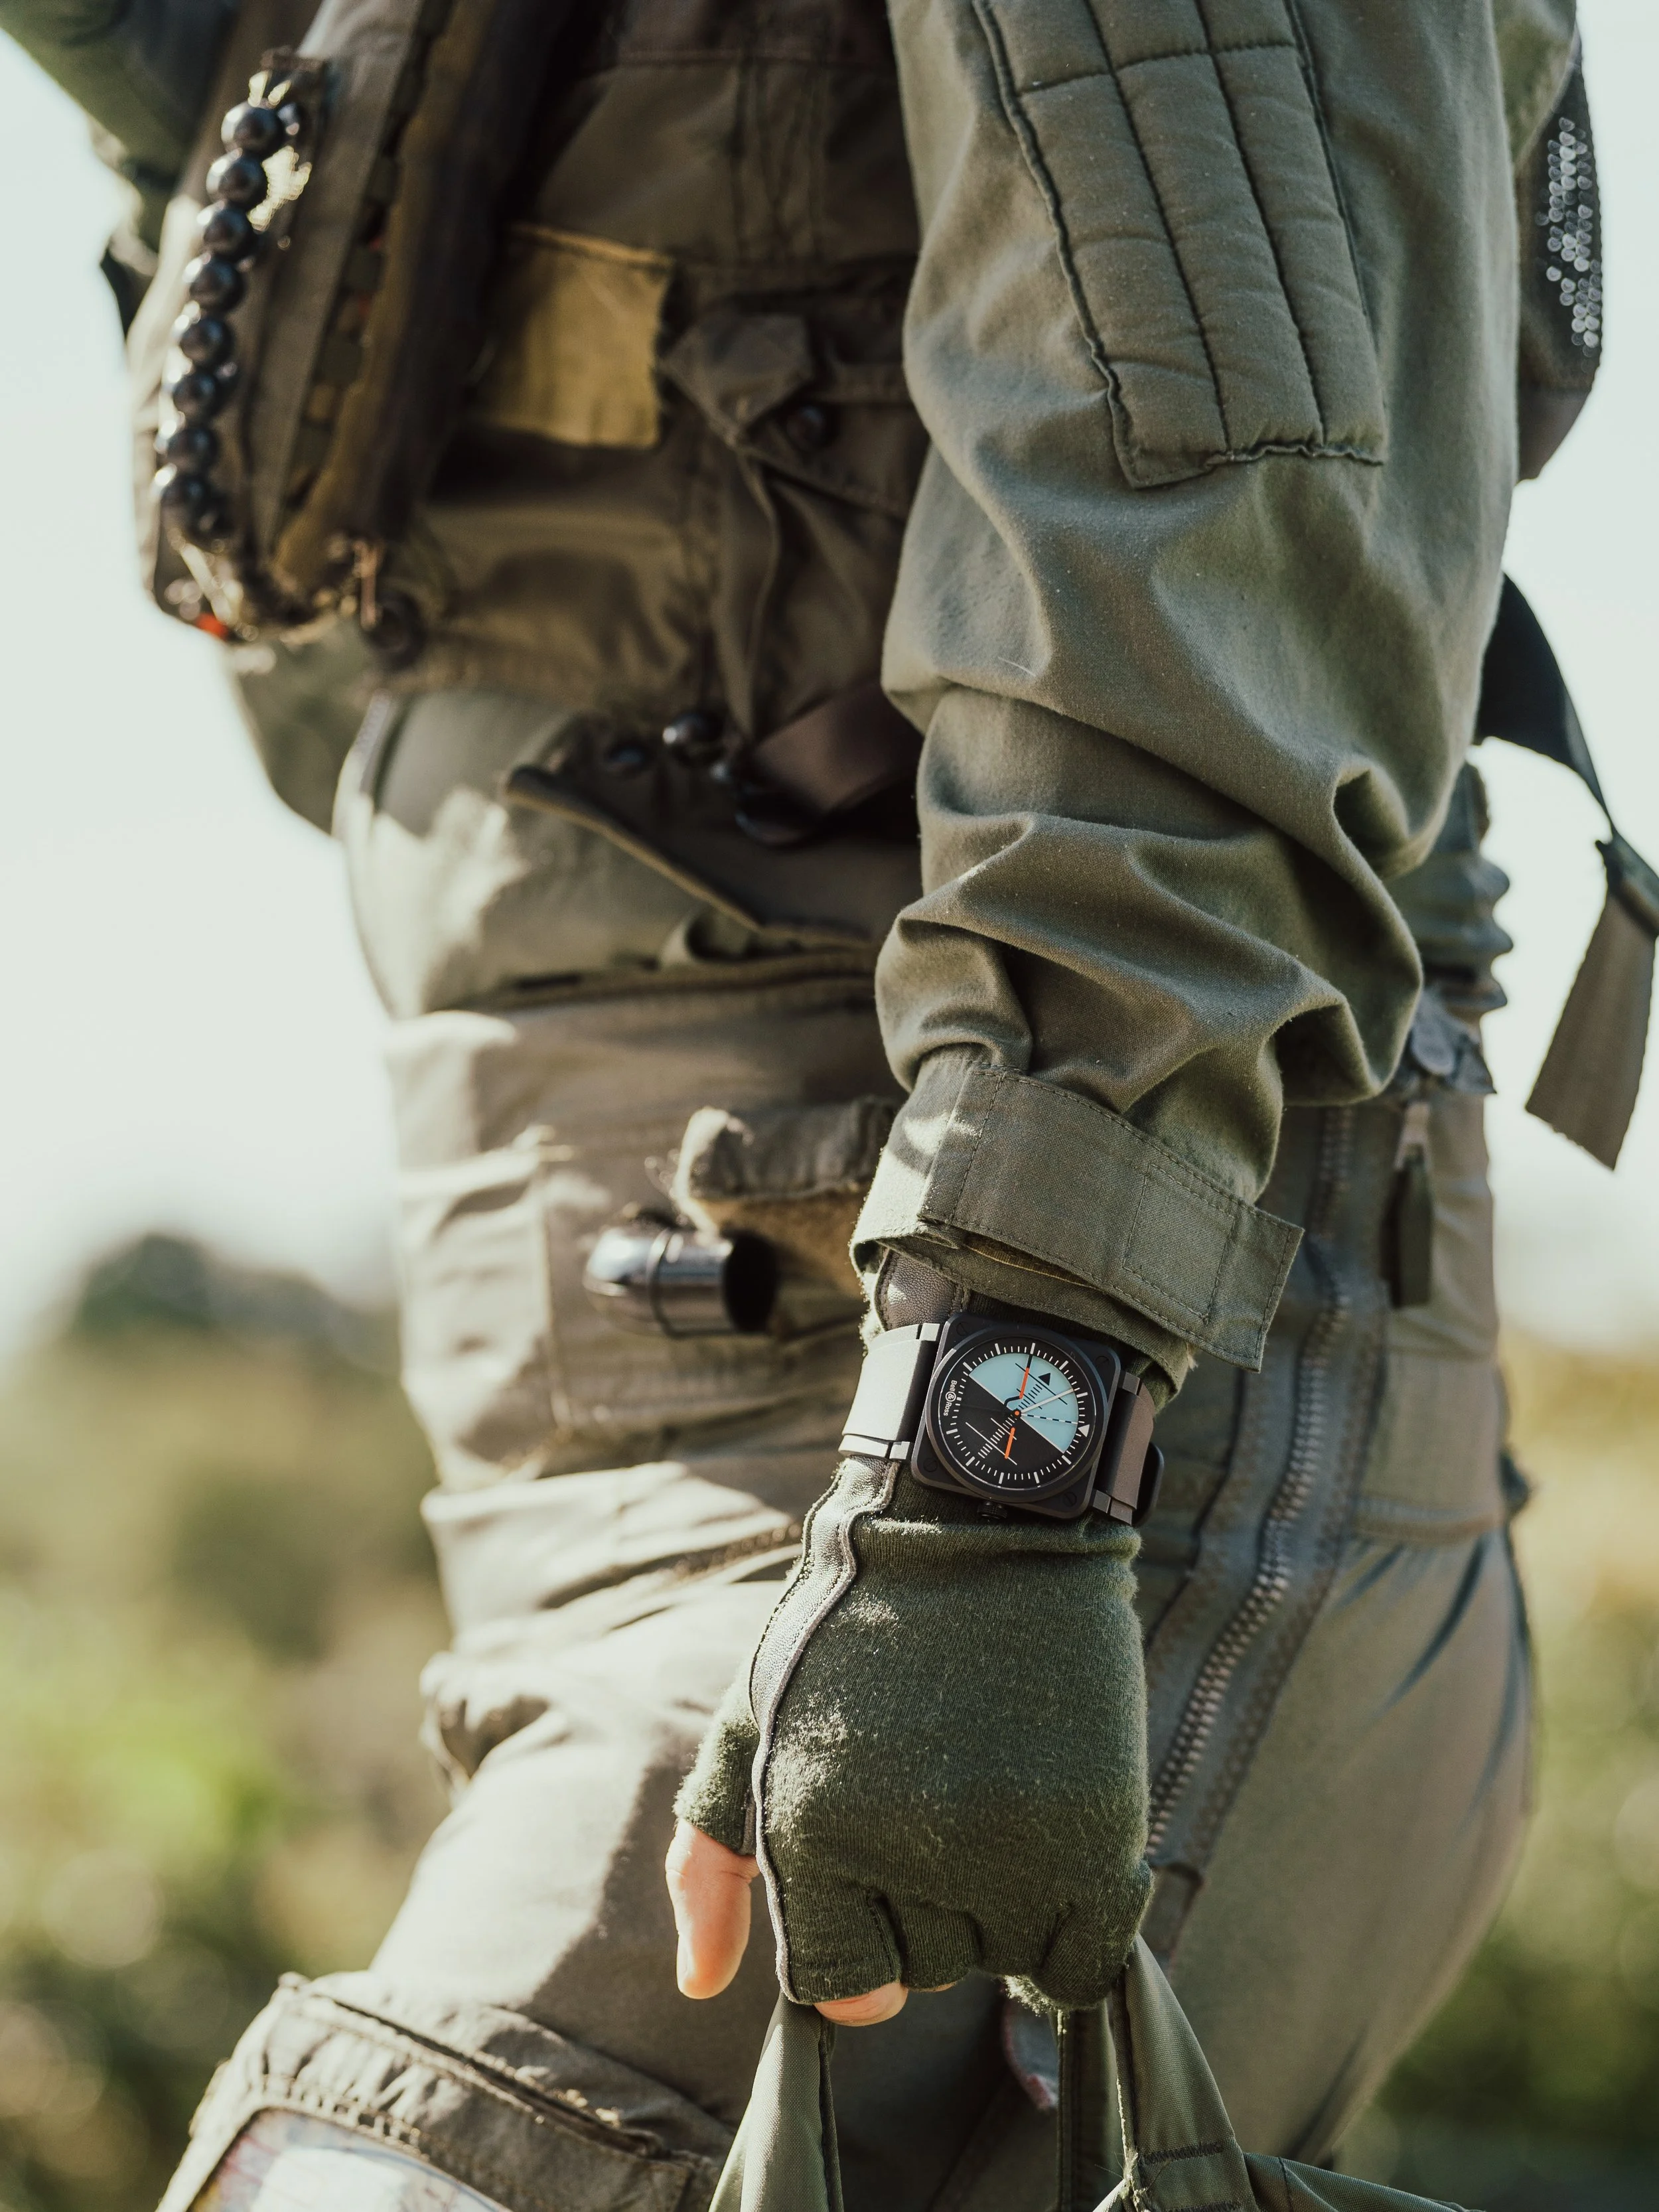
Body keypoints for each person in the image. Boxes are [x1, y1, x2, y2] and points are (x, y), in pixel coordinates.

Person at [0, 1, 1607, 2206]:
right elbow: (387, 708)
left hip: (1034, 1426)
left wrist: (992, 1474)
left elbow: (1227, 466)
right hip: (626, 1442)